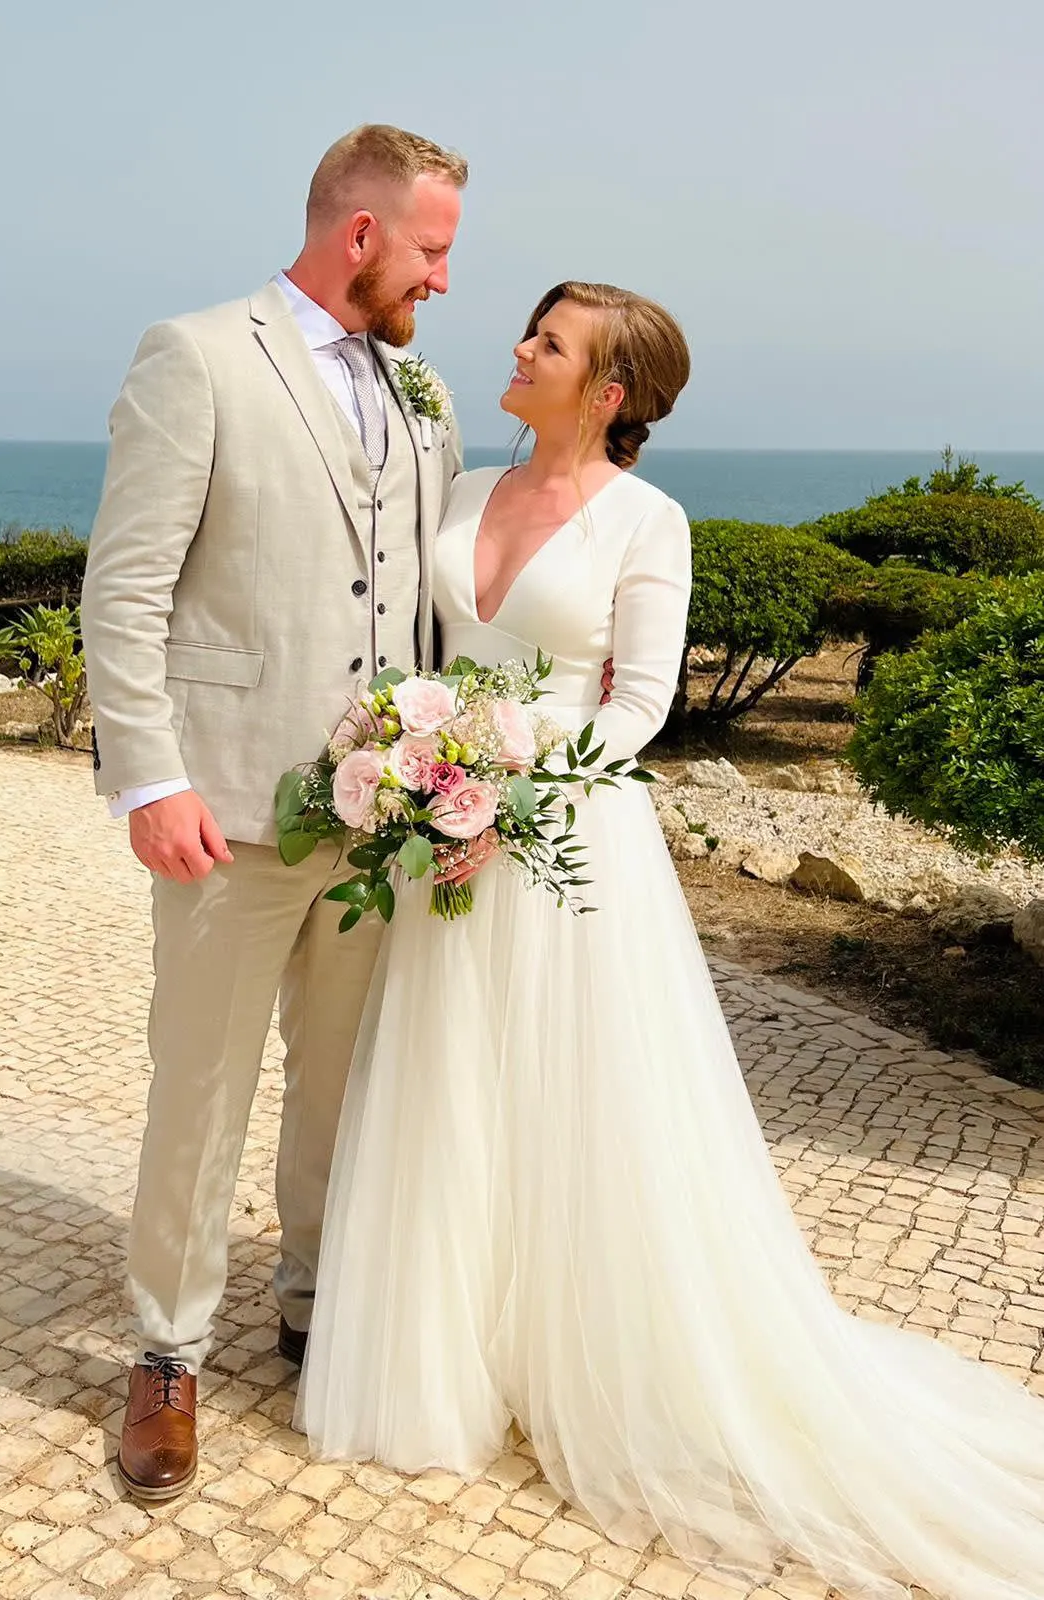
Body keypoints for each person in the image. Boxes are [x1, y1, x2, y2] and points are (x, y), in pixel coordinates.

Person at [298, 281, 1044, 1600]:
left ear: (610, 391)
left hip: (561, 857)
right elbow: (407, 648)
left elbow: (637, 708)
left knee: (579, 1108)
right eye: (527, 333)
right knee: (444, 1092)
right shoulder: (460, 488)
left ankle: (589, 1349)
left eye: (548, 343)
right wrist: (417, 770)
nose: (517, 351)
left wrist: (498, 783)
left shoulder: (649, 521)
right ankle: (449, 1350)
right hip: (442, 848)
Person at [80, 123, 467, 1501]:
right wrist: (150, 775)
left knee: (344, 1082)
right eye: (430, 251)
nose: (441, 281)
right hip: (227, 805)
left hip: (382, 820)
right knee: (200, 1085)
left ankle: (312, 1304)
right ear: (357, 234)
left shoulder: (423, 390)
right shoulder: (195, 356)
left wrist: (453, 771)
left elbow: (421, 598)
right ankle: (168, 1354)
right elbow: (124, 586)